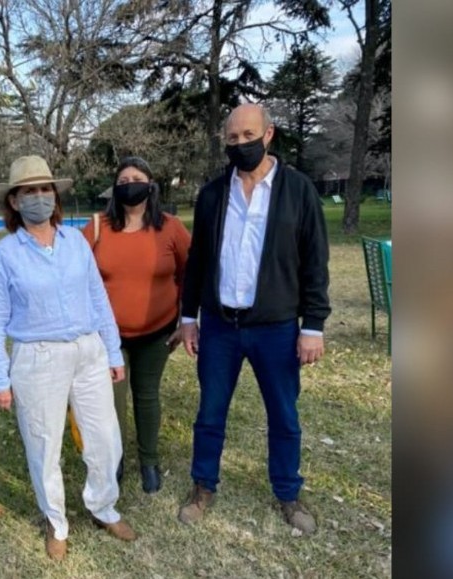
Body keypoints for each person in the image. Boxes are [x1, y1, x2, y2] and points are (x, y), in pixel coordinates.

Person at [177, 103, 330, 534]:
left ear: (268, 134)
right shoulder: (212, 194)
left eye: (248, 135)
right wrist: (189, 317)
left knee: (283, 415)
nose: (240, 144)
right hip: (222, 327)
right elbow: (198, 261)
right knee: (210, 412)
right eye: (232, 139)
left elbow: (315, 263)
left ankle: (287, 492)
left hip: (276, 329)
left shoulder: (298, 190)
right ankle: (203, 485)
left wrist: (313, 325)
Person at [0, 155, 137, 561]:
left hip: (88, 351)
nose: (39, 197)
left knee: (105, 437)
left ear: (56, 196)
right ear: (14, 202)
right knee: (44, 444)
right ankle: (56, 522)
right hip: (38, 357)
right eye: (29, 191)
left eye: (45, 189)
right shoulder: (6, 255)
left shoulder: (76, 243)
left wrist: (113, 350)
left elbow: (98, 299)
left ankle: (103, 506)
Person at [81, 156, 190, 494]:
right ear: (115, 187)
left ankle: (149, 461)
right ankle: (114, 461)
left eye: (137, 177)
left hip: (158, 332)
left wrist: (187, 320)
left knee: (147, 396)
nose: (130, 183)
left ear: (151, 184)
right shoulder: (98, 227)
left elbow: (191, 275)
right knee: (112, 401)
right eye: (124, 179)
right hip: (107, 338)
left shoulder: (170, 227)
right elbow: (75, 277)